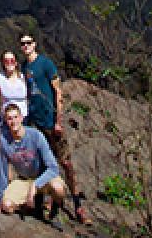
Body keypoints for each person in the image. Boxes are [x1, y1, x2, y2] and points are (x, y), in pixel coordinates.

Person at [20, 33, 92, 225]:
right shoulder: (24, 66)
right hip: (36, 123)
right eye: (23, 44)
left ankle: (78, 205)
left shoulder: (45, 64)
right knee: (43, 164)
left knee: (66, 163)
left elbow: (58, 91)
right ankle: (46, 202)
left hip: (50, 122)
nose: (26, 46)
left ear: (34, 44)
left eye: (29, 42)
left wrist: (58, 120)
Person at [0, 103, 64, 230]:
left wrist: (35, 185)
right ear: (6, 121)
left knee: (58, 189)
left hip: (43, 177)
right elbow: (3, 171)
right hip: (24, 179)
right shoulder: (4, 141)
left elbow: (53, 168)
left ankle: (54, 210)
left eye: (15, 117)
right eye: (9, 118)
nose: (13, 121)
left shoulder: (36, 136)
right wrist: (0, 198)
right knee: (6, 205)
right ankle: (29, 206)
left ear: (21, 117)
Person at [0, 51, 28, 119]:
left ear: (16, 62)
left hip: (23, 117)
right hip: (6, 118)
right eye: (6, 61)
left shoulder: (23, 77)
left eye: (12, 60)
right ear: (3, 63)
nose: (9, 63)